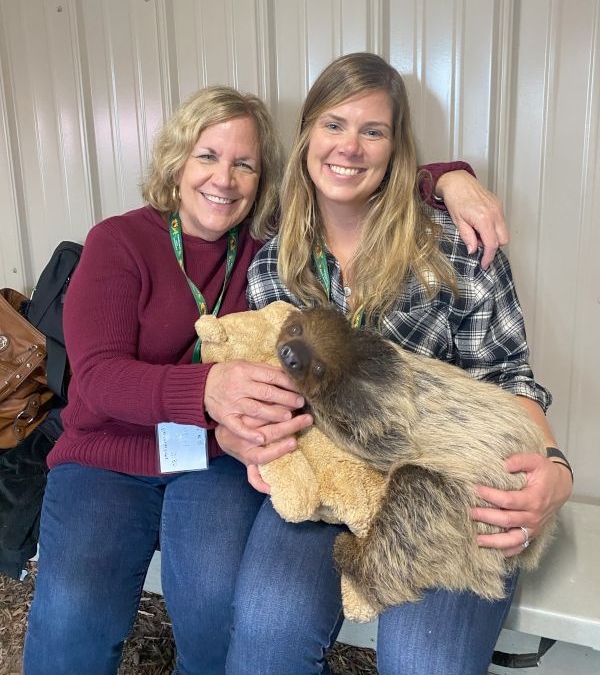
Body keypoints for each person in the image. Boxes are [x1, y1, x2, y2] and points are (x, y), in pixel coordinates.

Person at [22, 83, 503, 675]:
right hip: (109, 454)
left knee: (216, 614)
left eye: (243, 164)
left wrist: (449, 179)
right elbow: (94, 381)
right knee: (73, 620)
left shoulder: (264, 244)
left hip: (213, 455)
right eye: (207, 157)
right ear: (176, 162)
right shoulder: (120, 242)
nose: (223, 179)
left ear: (262, 178)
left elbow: (351, 173)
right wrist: (205, 389)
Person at [216, 53, 574, 675]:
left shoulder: (455, 248)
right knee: (268, 632)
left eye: (372, 131)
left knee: (424, 660)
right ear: (306, 136)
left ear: (396, 147)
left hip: (439, 485)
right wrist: (250, 438)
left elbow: (510, 379)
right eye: (333, 125)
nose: (349, 148)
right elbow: (265, 384)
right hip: (330, 478)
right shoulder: (277, 262)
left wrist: (556, 470)